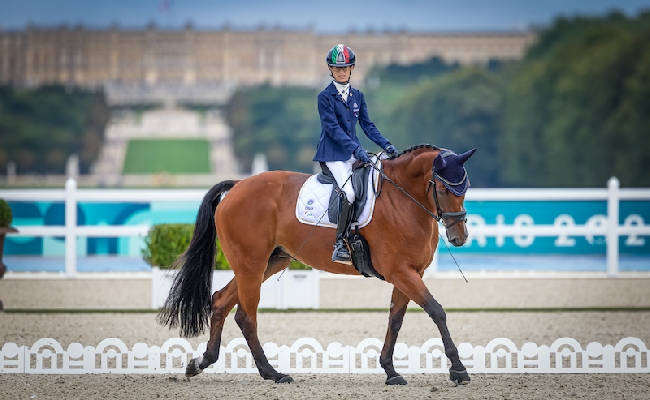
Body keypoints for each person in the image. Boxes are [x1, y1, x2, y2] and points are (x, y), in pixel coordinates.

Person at [313, 43, 399, 265]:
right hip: (333, 155)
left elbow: (368, 126)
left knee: (377, 181)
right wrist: (357, 149)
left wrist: (386, 145)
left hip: (353, 151)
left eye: (345, 68)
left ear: (352, 68)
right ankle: (340, 243)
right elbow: (333, 129)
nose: (341, 72)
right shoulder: (325, 97)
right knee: (350, 193)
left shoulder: (358, 96)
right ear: (330, 70)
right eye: (337, 68)